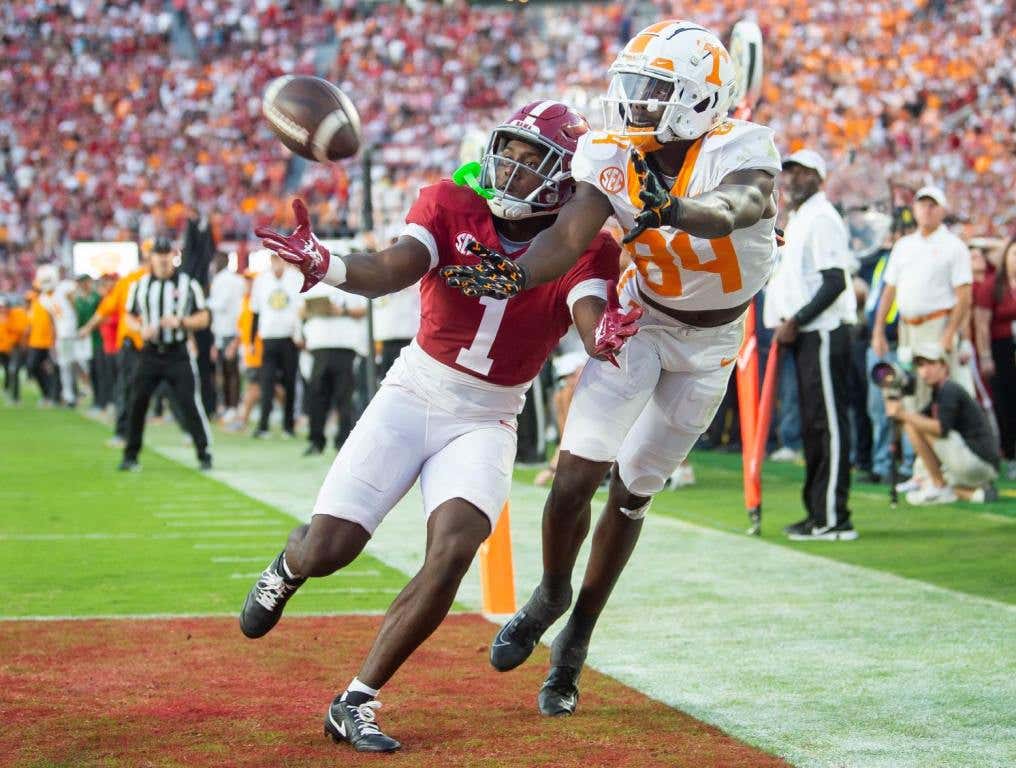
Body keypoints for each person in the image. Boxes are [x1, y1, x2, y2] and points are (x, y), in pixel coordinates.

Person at [240, 101, 630, 753]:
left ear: (566, 178)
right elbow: (394, 265)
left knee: (452, 551)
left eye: (533, 160)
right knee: (330, 549)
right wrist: (329, 264)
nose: (511, 167)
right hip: (415, 392)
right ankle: (290, 563)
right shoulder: (451, 202)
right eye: (509, 150)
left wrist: (606, 334)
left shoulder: (587, 244)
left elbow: (590, 311)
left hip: (488, 416)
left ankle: (356, 700)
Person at [442, 21, 780, 715]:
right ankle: (551, 591)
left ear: (702, 97)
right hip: (642, 317)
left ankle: (576, 643)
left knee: (632, 494)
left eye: (658, 90)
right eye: (637, 85)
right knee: (573, 476)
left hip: (713, 344)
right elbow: (569, 238)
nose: (639, 102)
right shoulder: (609, 151)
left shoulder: (742, 145)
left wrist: (673, 208)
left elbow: (737, 205)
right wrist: (511, 273)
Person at [764, 149, 858, 541]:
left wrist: (797, 320)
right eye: (790, 172)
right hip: (804, 334)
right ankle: (817, 511)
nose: (794, 178)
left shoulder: (822, 218)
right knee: (813, 426)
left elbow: (835, 281)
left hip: (821, 331)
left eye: (803, 172)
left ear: (819, 177)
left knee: (828, 427)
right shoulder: (802, 218)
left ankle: (834, 517)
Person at [872, 186, 974, 415]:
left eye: (932, 205)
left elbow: (964, 297)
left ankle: (964, 444)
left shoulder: (953, 246)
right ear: (914, 209)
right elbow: (889, 291)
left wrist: (950, 333)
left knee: (951, 388)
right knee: (911, 390)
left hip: (937, 324)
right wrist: (878, 330)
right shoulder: (904, 246)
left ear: (942, 210)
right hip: (908, 327)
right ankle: (917, 451)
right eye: (922, 204)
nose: (927, 210)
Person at [118, 238, 213, 472]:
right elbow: (128, 316)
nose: (162, 258)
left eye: (165, 253)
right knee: (137, 402)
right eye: (157, 254)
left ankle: (204, 453)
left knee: (189, 403)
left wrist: (180, 322)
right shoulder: (139, 285)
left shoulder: (187, 284)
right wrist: (140, 328)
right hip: (149, 353)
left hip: (177, 353)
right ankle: (131, 455)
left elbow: (203, 318)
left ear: (173, 255)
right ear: (150, 257)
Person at [884, 343, 999, 504]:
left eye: (931, 364)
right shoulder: (938, 393)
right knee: (919, 490)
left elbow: (940, 429)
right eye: (921, 365)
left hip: (977, 460)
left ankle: (937, 485)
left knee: (913, 424)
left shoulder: (950, 390)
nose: (926, 370)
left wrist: (902, 414)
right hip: (978, 464)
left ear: (945, 366)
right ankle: (973, 495)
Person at [298, 281, 368, 455]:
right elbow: (300, 311)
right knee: (317, 397)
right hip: (319, 346)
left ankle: (343, 441)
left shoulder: (354, 283)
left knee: (344, 398)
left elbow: (364, 310)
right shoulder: (314, 285)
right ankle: (316, 441)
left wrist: (342, 311)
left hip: (345, 347)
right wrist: (315, 309)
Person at [973, 237, 1016, 480]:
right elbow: (981, 323)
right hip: (1002, 349)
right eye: (1013, 254)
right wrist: (986, 355)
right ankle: (1010, 455)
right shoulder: (994, 285)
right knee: (1006, 403)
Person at [250, 253, 302, 438]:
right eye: (274, 258)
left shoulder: (295, 279)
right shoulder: (261, 280)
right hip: (269, 337)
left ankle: (289, 425)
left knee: (289, 383)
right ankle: (263, 425)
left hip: (289, 337)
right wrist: (251, 341)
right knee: (266, 382)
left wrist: (300, 334)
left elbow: (300, 309)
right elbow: (255, 312)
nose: (277, 262)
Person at [207, 253, 246, 422]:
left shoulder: (221, 280)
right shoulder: (238, 280)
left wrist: (204, 302)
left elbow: (220, 305)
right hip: (236, 329)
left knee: (228, 372)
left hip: (227, 331)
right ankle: (232, 406)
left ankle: (232, 406)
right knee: (231, 372)